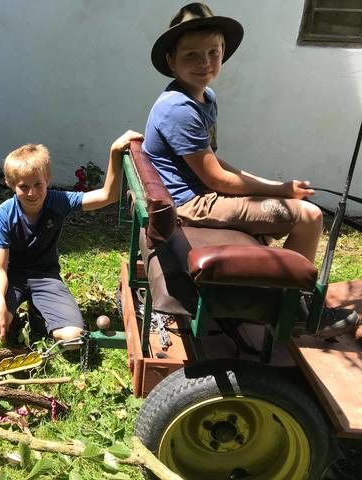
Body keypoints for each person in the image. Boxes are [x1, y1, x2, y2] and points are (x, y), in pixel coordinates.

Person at [143, 2, 358, 335]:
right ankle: (294, 311)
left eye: (213, 52)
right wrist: (278, 190)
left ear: (223, 53)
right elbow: (214, 178)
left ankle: (276, 296)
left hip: (201, 194)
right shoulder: (178, 109)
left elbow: (214, 162)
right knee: (309, 216)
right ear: (171, 61)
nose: (204, 63)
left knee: (298, 208)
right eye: (191, 55)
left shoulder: (203, 98)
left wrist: (273, 184)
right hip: (189, 204)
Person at [0, 130, 143, 344]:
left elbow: (107, 195)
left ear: (48, 179)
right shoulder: (3, 214)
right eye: (23, 187)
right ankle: (19, 318)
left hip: (45, 277)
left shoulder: (59, 201)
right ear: (11, 184)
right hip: (12, 277)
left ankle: (39, 315)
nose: (32, 193)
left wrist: (114, 152)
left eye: (38, 184)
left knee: (72, 339)